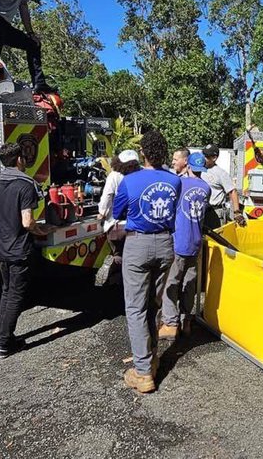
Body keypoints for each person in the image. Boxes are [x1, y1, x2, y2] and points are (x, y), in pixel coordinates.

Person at [112, 130, 181, 394]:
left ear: (144, 153)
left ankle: (142, 372)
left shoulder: (130, 180)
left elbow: (118, 212)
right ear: (164, 153)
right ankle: (151, 360)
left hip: (138, 244)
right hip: (165, 243)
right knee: (153, 303)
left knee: (136, 308)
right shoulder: (174, 181)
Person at [0, 142, 51, 358]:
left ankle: (0, 335)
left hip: (1, 249)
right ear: (20, 159)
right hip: (19, 250)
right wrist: (40, 231)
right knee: (16, 296)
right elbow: (27, 221)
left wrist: (2, 229)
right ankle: (4, 344)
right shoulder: (24, 185)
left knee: (6, 291)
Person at [159, 149, 211, 340]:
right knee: (189, 284)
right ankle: (186, 321)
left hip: (179, 241)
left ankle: (170, 324)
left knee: (170, 283)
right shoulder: (206, 188)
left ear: (188, 165)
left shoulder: (179, 183)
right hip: (196, 242)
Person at [97, 150, 141, 280]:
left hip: (116, 226)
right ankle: (124, 278)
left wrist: (102, 212)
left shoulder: (114, 176)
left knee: (119, 252)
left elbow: (108, 195)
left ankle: (115, 264)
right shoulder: (139, 175)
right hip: (134, 224)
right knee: (133, 257)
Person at [199, 144, 246, 229]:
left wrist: (237, 212)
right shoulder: (198, 169)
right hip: (201, 212)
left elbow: (232, 191)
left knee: (215, 239)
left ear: (214, 158)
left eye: (206, 156)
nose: (203, 158)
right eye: (203, 155)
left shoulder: (220, 173)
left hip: (215, 213)